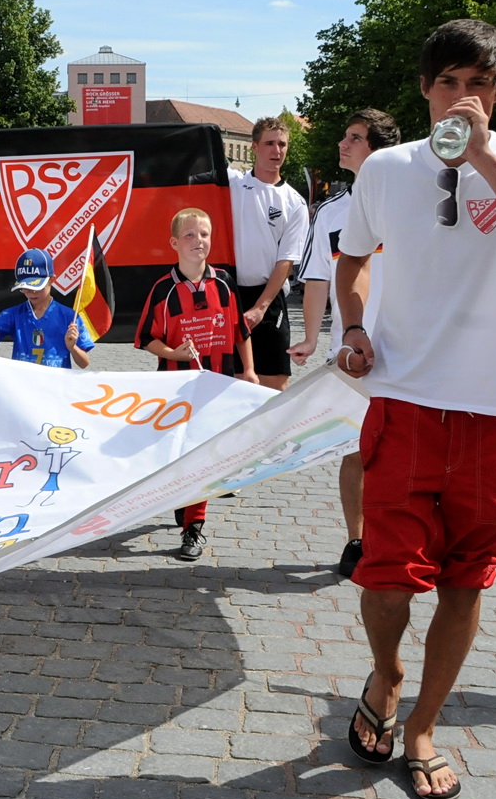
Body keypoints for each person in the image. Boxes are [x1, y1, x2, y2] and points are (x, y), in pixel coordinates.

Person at [335, 18, 496, 799]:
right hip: (404, 402)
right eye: (447, 82)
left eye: (477, 83)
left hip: (487, 411)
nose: (461, 97)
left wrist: (483, 157)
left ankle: (421, 726)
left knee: (464, 583)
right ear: (423, 88)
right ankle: (385, 674)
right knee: (386, 582)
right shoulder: (385, 170)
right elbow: (350, 262)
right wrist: (352, 328)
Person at [289, 108, 399, 578]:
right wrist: (312, 337)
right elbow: (317, 279)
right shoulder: (331, 211)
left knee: (400, 452)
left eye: (354, 137)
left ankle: (393, 538)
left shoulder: (411, 202)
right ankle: (357, 539)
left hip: (405, 348)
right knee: (355, 449)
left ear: (378, 148)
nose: (342, 144)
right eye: (345, 136)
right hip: (351, 352)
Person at [136, 208, 257, 562]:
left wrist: (249, 370)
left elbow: (240, 331)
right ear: (174, 243)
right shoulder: (163, 290)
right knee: (178, 454)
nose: (198, 241)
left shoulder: (224, 283)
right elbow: (146, 338)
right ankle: (183, 497)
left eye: (204, 234)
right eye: (189, 235)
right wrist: (172, 352)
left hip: (217, 385)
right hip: (177, 388)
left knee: (204, 454)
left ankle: (194, 527)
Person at [229, 117, 308, 391]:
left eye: (282, 144)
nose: (277, 150)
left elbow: (286, 261)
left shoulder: (294, 202)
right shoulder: (232, 183)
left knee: (275, 384)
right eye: (270, 143)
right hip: (229, 294)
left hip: (269, 299)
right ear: (254, 147)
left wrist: (261, 308)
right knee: (233, 382)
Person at [0, 249, 95, 369]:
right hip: (22, 384)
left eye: (37, 287)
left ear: (51, 280)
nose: (31, 293)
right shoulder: (12, 314)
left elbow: (84, 363)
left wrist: (72, 347)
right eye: (25, 288)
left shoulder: (69, 316)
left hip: (55, 385)